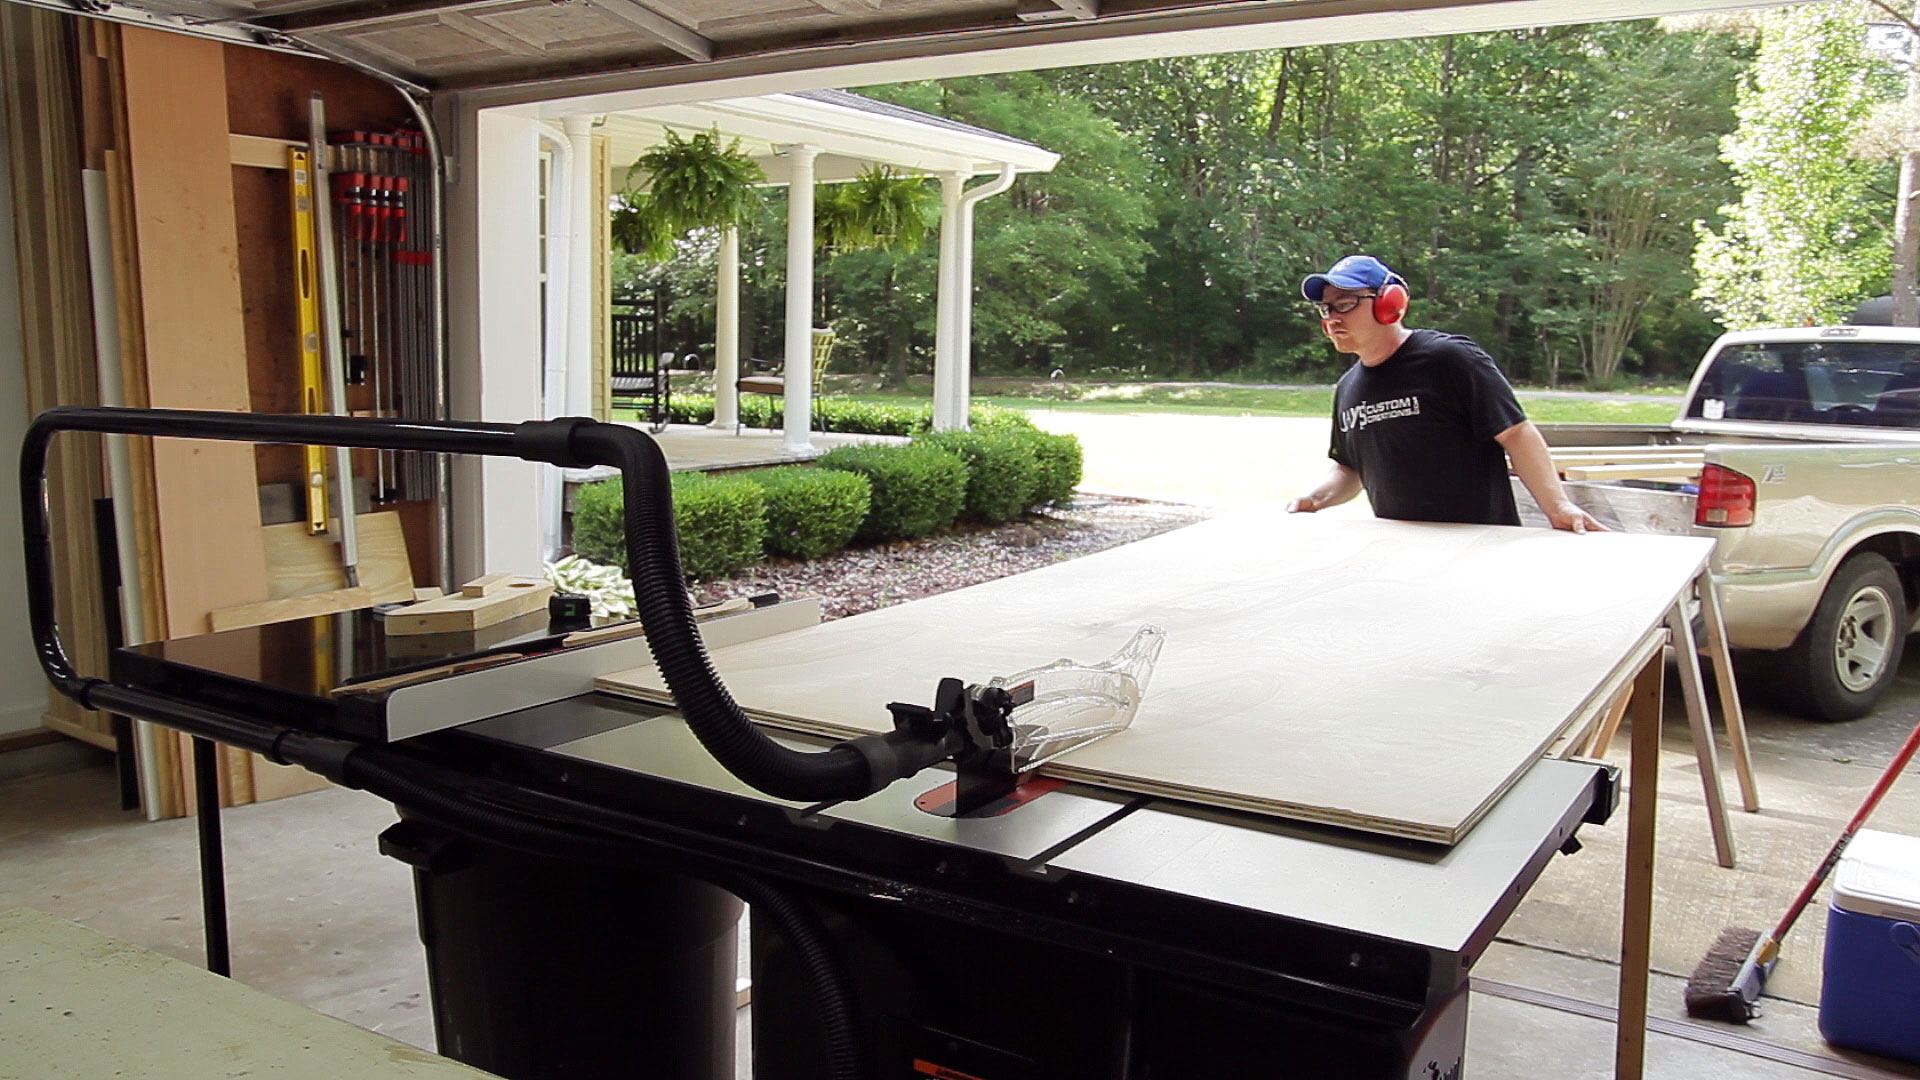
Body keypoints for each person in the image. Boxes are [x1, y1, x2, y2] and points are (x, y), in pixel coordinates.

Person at [1285, 254, 1604, 533]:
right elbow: (1350, 468)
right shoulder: (1347, 388)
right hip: (1404, 551)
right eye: (1326, 309)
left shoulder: (1449, 359)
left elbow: (1516, 433)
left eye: (1345, 303)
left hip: (1479, 544)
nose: (1332, 319)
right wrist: (1313, 500)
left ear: (1389, 303)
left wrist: (1558, 507)